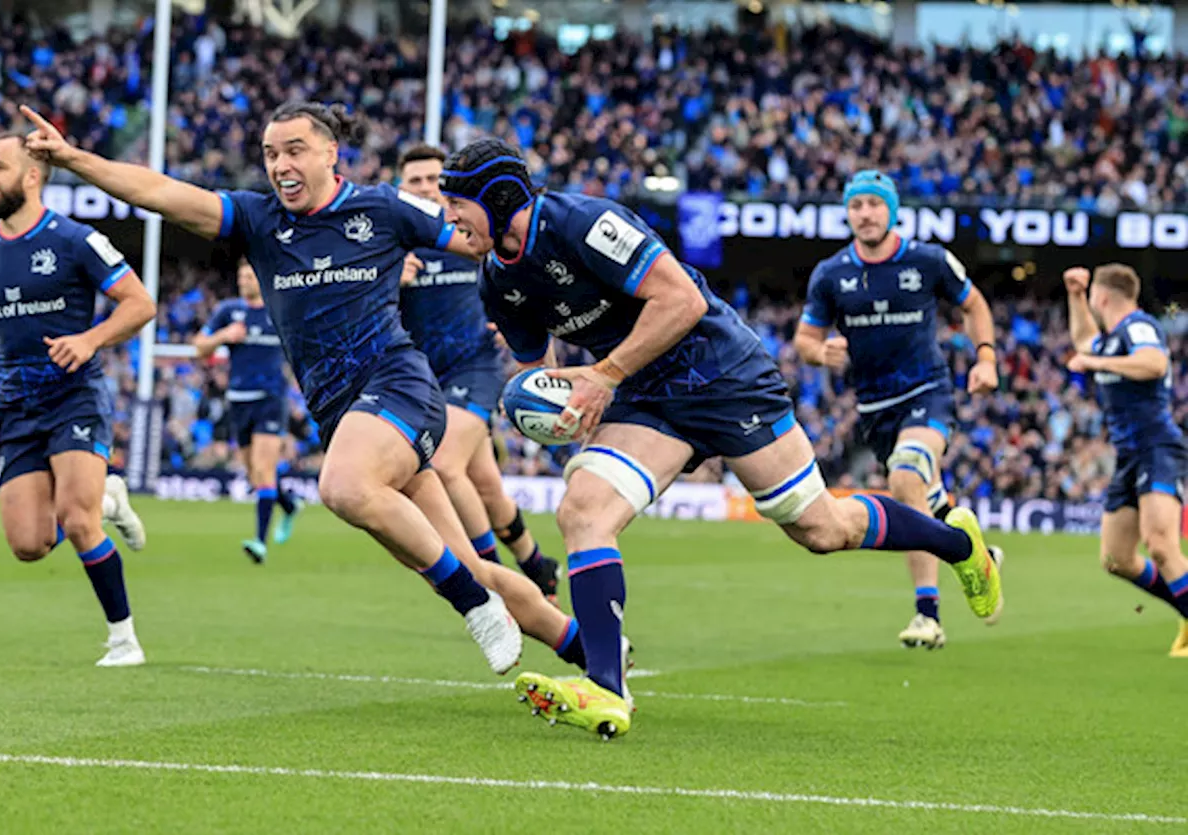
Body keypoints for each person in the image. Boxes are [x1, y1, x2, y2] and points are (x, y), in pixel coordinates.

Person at [441, 139, 1003, 739]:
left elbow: (680, 299)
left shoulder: (586, 222)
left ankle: (958, 545)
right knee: (582, 510)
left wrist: (602, 376)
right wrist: (552, 404)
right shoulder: (497, 282)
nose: (449, 216)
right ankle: (607, 688)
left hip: (721, 372)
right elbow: (540, 370)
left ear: (499, 199)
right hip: (643, 394)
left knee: (821, 528)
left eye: (459, 204)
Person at [20, 102, 594, 677]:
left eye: (294, 149)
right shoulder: (257, 219)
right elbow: (160, 192)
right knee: (467, 562)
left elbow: (483, 242)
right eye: (270, 153)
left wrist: (529, 304)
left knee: (344, 488)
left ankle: (473, 607)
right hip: (345, 417)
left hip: (399, 386)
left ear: (330, 153)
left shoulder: (384, 207)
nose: (279, 164)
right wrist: (71, 159)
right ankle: (592, 650)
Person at [0, 132, 153, 667]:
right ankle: (107, 499)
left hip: (75, 395)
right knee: (28, 545)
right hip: (16, 406)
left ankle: (123, 639)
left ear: (32, 175)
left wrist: (89, 339)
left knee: (77, 521)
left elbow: (139, 303)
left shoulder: (75, 240)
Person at [795, 170, 1004, 650]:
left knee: (906, 477)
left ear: (891, 210)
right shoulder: (831, 274)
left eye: (873, 203)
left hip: (927, 391)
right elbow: (805, 338)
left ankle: (927, 614)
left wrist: (987, 357)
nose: (864, 213)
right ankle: (976, 555)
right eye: (856, 205)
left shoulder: (927, 260)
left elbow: (975, 306)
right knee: (924, 501)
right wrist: (818, 352)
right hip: (873, 407)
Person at [396, 145, 560, 601]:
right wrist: (390, 282)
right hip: (423, 379)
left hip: (474, 366)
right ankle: (537, 567)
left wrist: (519, 324)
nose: (427, 188)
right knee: (486, 488)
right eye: (416, 181)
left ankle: (493, 584)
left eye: (434, 179)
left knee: (445, 465)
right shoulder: (395, 244)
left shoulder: (471, 235)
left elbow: (520, 275)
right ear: (400, 189)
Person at [1064, 264, 1188, 657]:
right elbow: (1086, 341)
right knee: (1116, 558)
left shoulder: (1139, 326)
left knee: (1162, 545)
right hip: (1130, 456)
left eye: (1092, 299)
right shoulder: (1111, 339)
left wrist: (1097, 364)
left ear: (1104, 298)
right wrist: (1074, 296)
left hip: (1157, 447)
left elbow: (1154, 363)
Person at [194, 259, 304, 563]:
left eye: (249, 276)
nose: (244, 280)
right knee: (255, 475)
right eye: (241, 275)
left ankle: (259, 542)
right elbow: (199, 346)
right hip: (239, 399)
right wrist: (223, 337)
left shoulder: (279, 309)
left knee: (265, 470)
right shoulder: (229, 312)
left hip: (271, 398)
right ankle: (289, 504)